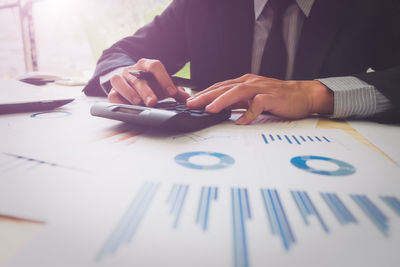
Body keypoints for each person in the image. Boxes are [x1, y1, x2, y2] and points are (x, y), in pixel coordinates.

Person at [83, 0, 400, 124]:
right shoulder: (199, 5)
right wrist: (121, 73)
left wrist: (316, 94)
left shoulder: (372, 7)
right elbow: (117, 55)